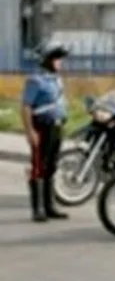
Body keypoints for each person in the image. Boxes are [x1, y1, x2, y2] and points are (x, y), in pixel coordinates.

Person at [22, 40, 70, 223]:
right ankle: (38, 208)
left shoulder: (56, 79)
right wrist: (29, 132)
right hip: (41, 127)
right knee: (38, 167)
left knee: (51, 166)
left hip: (56, 126)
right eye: (56, 59)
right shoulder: (35, 80)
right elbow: (26, 107)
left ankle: (50, 207)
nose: (60, 62)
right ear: (46, 60)